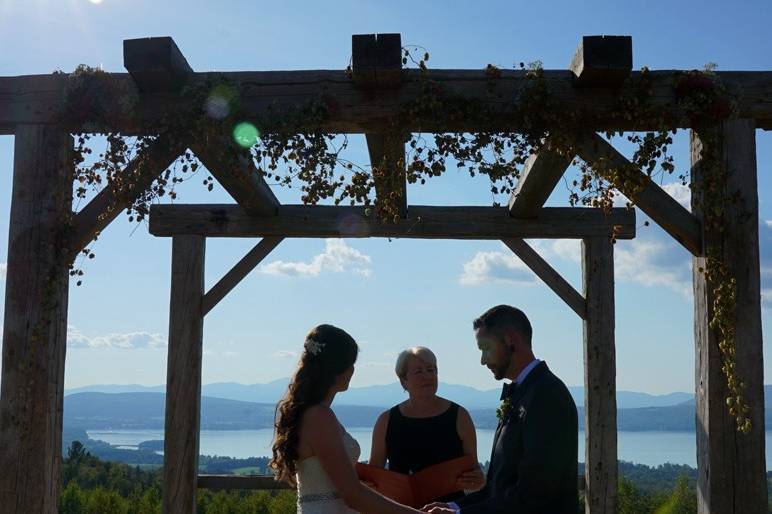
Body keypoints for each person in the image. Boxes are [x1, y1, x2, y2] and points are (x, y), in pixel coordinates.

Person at [423, 305, 578, 514]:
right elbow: (496, 489)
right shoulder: (525, 392)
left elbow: (535, 493)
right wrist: (453, 506)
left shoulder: (547, 395)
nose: (483, 360)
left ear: (510, 340)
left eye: (486, 348)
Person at [270, 324, 423, 514]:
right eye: (351, 364)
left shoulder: (312, 414)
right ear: (339, 368)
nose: (352, 371)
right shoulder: (319, 417)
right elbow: (353, 496)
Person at [369, 347, 485, 502]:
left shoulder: (459, 416)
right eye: (418, 372)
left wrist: (477, 479)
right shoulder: (386, 421)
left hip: (448, 510)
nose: (427, 376)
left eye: (431, 370)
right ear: (404, 381)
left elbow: (474, 471)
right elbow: (374, 478)